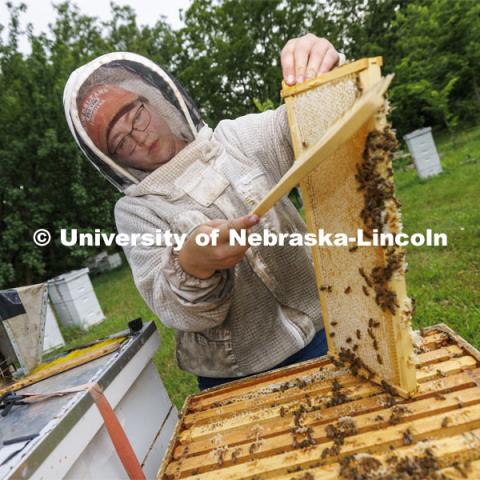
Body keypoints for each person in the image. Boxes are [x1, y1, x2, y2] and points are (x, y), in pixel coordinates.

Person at [64, 34, 344, 390]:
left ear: (154, 100)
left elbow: (307, 128)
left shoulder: (235, 141)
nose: (138, 137)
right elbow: (171, 305)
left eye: (136, 115)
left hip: (326, 329)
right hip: (236, 376)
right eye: (120, 142)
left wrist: (321, 73)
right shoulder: (136, 211)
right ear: (114, 160)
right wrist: (192, 264)